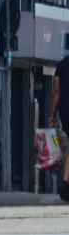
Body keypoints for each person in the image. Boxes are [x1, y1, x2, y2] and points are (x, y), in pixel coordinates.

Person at [50, 53, 69, 201]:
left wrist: (52, 114)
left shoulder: (61, 65)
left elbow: (57, 92)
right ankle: (66, 181)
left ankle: (66, 180)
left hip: (65, 110)